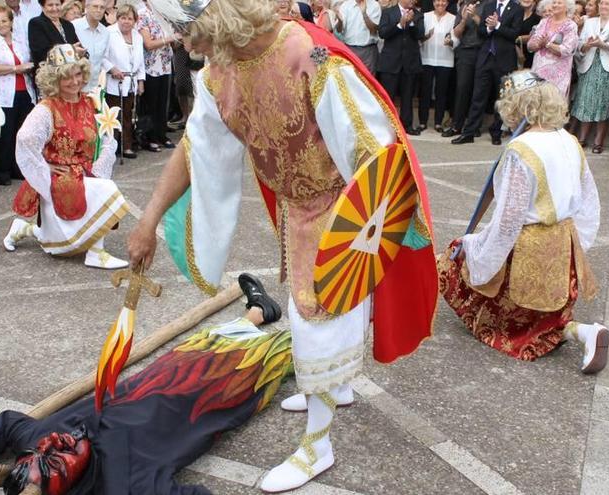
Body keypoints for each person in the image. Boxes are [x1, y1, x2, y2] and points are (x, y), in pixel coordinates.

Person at [128, 0, 438, 491]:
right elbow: (196, 149)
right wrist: (147, 221)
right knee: (311, 318)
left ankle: (318, 444)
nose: (188, 46)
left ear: (219, 19)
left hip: (339, 209)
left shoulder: (309, 56)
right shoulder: (217, 75)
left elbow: (373, 148)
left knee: (315, 316)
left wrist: (358, 232)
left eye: (192, 32)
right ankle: (331, 386)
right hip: (296, 207)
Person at [0, 275, 291, 495]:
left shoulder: (42, 443)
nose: (55, 441)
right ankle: (318, 335)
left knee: (202, 342)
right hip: (211, 395)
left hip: (160, 374)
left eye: (41, 450)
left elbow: (5, 424)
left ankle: (257, 312)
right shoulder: (128, 484)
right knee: (279, 355)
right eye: (58, 458)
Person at [438, 70, 609, 373]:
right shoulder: (569, 140)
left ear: (517, 106)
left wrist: (473, 247)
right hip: (563, 248)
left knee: (454, 261)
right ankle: (583, 331)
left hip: (529, 251)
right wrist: (576, 247)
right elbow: (589, 200)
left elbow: (508, 222)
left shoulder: (521, 149)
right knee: (547, 318)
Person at [4, 44, 129, 269]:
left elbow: (107, 136)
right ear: (54, 80)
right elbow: (25, 139)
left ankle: (26, 229)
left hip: (86, 172)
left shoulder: (92, 101)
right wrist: (43, 168)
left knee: (64, 236)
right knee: (105, 194)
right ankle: (96, 253)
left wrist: (99, 169)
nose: (74, 81)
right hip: (62, 177)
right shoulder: (47, 108)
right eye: (66, 77)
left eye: (78, 74)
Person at [452, 0, 525, 146]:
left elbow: (514, 34)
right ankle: (469, 132)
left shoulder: (517, 9)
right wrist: (489, 28)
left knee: (500, 98)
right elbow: (481, 31)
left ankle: (496, 132)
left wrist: (497, 26)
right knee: (477, 96)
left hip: (504, 60)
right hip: (485, 57)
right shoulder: (489, 6)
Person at [0, 6, 36, 186]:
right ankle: (2, 170)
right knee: (4, 135)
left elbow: (30, 61)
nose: (2, 24)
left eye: (5, 20)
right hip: (1, 94)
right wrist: (15, 69)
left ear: (11, 21)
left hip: (24, 91)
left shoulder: (20, 39)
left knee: (21, 133)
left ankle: (18, 168)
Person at [571, 0, 609, 153]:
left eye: (608, 4)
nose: (603, 6)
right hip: (588, 66)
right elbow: (580, 44)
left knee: (604, 105)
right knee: (584, 102)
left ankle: (598, 141)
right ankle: (582, 138)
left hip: (606, 68)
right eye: (601, 3)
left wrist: (602, 44)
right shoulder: (590, 22)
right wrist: (586, 46)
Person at [103, 4, 144, 159]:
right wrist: (112, 69)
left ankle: (127, 146)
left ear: (134, 21)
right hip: (115, 81)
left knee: (128, 115)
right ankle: (110, 149)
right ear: (118, 18)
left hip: (131, 81)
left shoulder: (138, 36)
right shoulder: (108, 33)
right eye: (123, 18)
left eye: (130, 18)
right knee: (113, 116)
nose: (126, 21)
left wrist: (141, 81)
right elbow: (103, 57)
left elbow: (140, 62)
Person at [378, 0, 426, 134]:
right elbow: (382, 33)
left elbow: (420, 34)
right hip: (391, 61)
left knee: (408, 96)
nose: (412, 1)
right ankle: (387, 127)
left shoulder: (418, 15)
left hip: (410, 62)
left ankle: (406, 125)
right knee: (388, 96)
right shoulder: (388, 12)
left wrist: (410, 23)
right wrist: (400, 24)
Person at [136, 0, 176, 151]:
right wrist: (171, 38)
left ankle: (161, 134)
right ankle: (149, 137)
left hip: (165, 64)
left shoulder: (163, 13)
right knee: (150, 104)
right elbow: (148, 44)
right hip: (150, 66)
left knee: (163, 102)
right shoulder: (142, 14)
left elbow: (171, 38)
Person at [443, 0, 484, 139]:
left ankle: (474, 127)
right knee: (462, 88)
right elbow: (457, 33)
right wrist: (465, 19)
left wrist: (475, 17)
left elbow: (488, 30)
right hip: (466, 51)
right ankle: (456, 126)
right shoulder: (463, 5)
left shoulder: (490, 4)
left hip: (483, 50)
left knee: (479, 90)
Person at [418, 0, 456, 133]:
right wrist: (425, 37)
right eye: (437, 1)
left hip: (445, 60)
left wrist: (450, 41)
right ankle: (423, 122)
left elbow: (456, 39)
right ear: (433, 3)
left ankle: (438, 122)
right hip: (426, 58)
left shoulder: (453, 18)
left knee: (441, 92)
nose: (441, 4)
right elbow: (418, 37)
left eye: (443, 1)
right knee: (425, 92)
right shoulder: (425, 16)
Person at [528, 0, 578, 96]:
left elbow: (567, 50)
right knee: (536, 103)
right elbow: (530, 44)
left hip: (558, 76)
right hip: (538, 70)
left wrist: (547, 44)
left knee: (553, 105)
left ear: (567, 7)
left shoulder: (571, 26)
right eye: (554, 2)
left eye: (559, 3)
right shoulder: (543, 22)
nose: (555, 5)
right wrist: (537, 44)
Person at [27, 0, 81, 75]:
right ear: (42, 6)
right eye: (50, 5)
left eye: (57, 5)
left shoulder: (68, 25)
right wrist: (70, 50)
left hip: (70, 75)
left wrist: (82, 52)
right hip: (50, 77)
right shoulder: (36, 23)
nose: (54, 8)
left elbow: (78, 45)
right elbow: (41, 53)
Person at [71, 0, 109, 93]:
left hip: (95, 88)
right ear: (86, 7)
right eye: (95, 6)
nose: (99, 10)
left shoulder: (105, 32)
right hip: (74, 87)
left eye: (102, 7)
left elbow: (103, 59)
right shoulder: (73, 26)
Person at [335, 0, 381, 75]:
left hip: (368, 51)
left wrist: (364, 14)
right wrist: (340, 21)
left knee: (368, 82)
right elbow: (339, 30)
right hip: (349, 49)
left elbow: (374, 29)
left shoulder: (374, 5)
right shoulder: (346, 5)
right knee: (351, 79)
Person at [516, 0, 541, 69]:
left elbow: (537, 36)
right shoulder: (513, 14)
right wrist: (517, 49)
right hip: (512, 54)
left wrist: (518, 38)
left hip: (530, 55)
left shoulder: (538, 17)